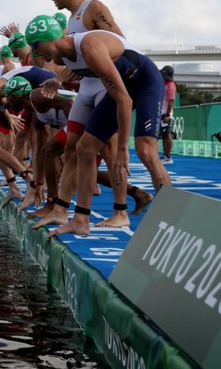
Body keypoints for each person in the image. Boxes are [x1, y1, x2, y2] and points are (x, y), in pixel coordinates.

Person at [24, 14, 171, 236]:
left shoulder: (90, 47)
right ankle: (81, 220)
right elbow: (78, 68)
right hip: (120, 88)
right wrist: (58, 80)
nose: (35, 53)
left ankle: (171, 215)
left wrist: (123, 149)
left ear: (49, 40)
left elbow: (125, 100)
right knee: (84, 148)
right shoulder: (64, 56)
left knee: (145, 151)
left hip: (144, 81)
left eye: (35, 46)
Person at [160, 65, 177, 165]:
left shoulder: (171, 85)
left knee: (166, 134)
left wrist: (167, 114)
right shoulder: (165, 84)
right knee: (163, 134)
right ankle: (165, 155)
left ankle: (167, 156)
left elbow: (171, 101)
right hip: (161, 112)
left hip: (165, 114)